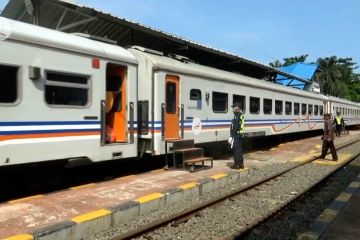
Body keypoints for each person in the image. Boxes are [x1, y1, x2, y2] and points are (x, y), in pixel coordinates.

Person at [228, 103, 245, 169]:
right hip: (240, 135)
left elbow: (234, 127)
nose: (233, 109)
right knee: (240, 150)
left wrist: (231, 136)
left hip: (236, 135)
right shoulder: (241, 115)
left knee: (236, 150)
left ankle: (237, 164)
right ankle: (241, 164)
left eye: (234, 108)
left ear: (237, 108)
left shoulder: (236, 116)